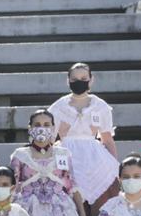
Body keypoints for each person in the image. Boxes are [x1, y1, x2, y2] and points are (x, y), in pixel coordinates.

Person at [51, 63, 118, 205]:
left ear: (91, 79)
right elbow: (49, 141)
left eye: (83, 78)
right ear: (68, 81)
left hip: (94, 156)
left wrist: (115, 167)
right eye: (74, 79)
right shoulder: (58, 107)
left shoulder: (101, 106)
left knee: (98, 200)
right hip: (65, 155)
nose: (79, 82)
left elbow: (107, 139)